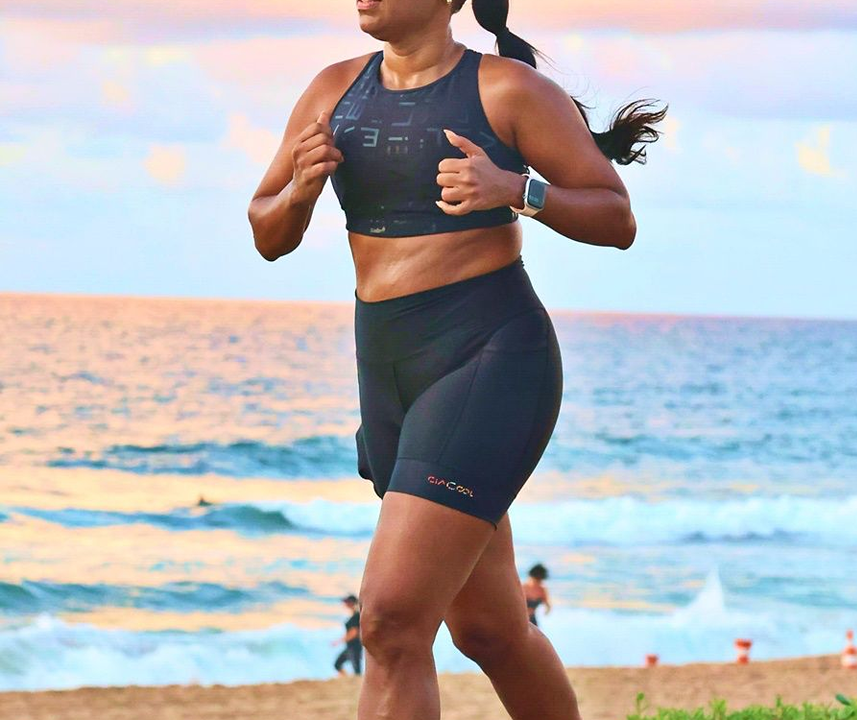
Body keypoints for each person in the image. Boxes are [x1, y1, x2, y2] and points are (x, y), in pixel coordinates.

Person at [247, 0, 664, 716]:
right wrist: (301, 192)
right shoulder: (333, 89)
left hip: (488, 358)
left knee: (389, 621)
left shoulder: (508, 90)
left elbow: (615, 216)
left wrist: (516, 190)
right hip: (387, 372)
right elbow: (266, 231)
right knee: (490, 630)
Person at [331, 593, 363, 676]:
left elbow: (354, 632)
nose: (345, 604)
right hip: (350, 647)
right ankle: (346, 679)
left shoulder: (356, 615)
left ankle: (353, 681)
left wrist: (339, 641)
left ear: (351, 603)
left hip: (355, 646)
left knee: (357, 670)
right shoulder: (354, 615)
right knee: (337, 664)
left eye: (346, 602)